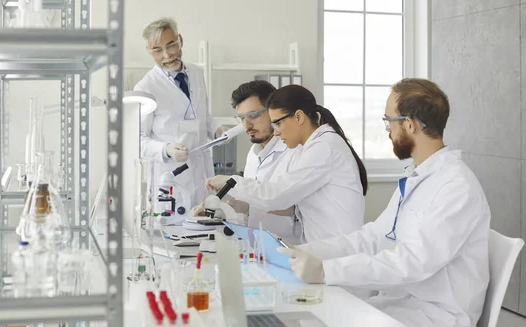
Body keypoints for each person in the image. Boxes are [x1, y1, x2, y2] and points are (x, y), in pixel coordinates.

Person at [278, 78, 490, 327]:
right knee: (318, 326)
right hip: (400, 305)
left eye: (389, 120)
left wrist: (328, 271)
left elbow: (412, 263)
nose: (387, 128)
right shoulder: (418, 177)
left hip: (436, 324)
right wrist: (305, 251)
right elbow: (373, 237)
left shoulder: (456, 187)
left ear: (410, 124)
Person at [205, 85, 368, 243]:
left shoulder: (323, 147)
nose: (276, 132)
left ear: (299, 117)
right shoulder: (315, 145)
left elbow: (275, 196)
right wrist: (244, 208)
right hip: (323, 250)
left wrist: (230, 182)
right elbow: (296, 209)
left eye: (278, 123)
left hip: (338, 254)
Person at [197, 80, 301, 244]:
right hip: (259, 249)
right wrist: (228, 210)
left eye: (254, 116)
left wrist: (232, 183)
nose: (247, 125)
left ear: (273, 111)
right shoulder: (253, 154)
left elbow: (293, 212)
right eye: (242, 118)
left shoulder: (295, 151)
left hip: (294, 250)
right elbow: (256, 204)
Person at [136, 17, 227, 206]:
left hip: (202, 173)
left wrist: (217, 129)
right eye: (158, 50)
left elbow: (203, 116)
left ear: (180, 40)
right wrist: (166, 149)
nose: (167, 55)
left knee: (204, 226)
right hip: (171, 179)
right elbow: (138, 140)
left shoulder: (196, 73)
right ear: (149, 51)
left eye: (171, 45)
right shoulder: (146, 87)